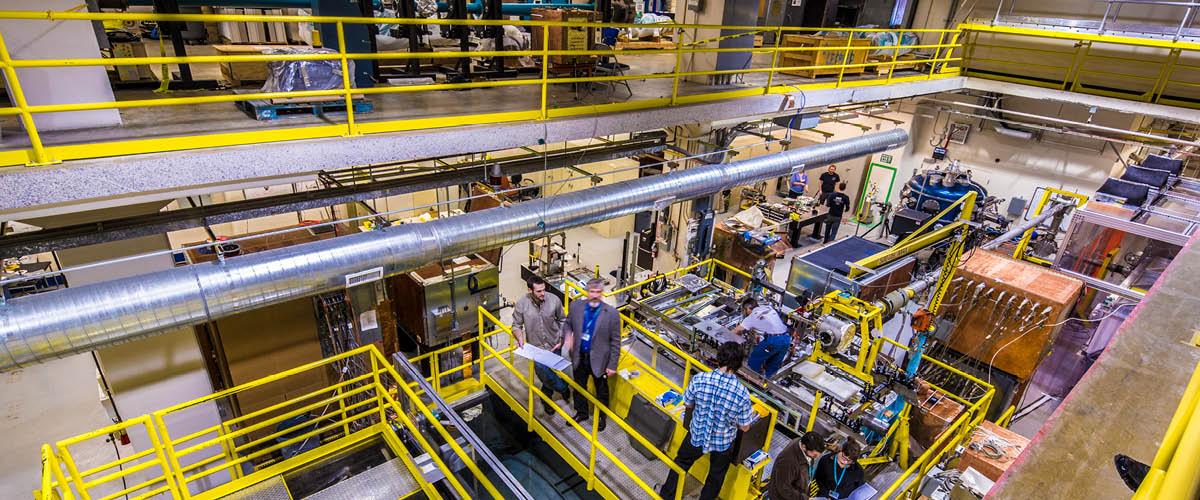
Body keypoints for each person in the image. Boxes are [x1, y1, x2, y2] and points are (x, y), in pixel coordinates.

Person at [658, 341, 759, 500]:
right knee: (715, 477)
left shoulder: (700, 379)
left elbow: (688, 403)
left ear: (719, 359)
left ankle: (667, 494)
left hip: (696, 434)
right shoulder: (742, 393)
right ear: (739, 365)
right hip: (723, 443)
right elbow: (745, 427)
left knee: (681, 464)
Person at [564, 278, 621, 431]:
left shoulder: (612, 314)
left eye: (598, 292)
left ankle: (601, 416)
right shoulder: (575, 307)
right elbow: (567, 323)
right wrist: (568, 336)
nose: (595, 295)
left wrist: (612, 365)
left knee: (601, 390)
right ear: (587, 292)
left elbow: (616, 342)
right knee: (579, 387)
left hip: (600, 360)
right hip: (579, 356)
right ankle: (581, 413)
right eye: (592, 292)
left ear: (602, 293)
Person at [511, 275, 569, 414]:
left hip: (554, 343)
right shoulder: (521, 304)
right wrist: (520, 338)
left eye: (544, 289)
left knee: (550, 372)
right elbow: (516, 325)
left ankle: (546, 399)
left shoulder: (553, 300)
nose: (543, 293)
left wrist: (561, 338)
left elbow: (562, 320)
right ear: (530, 290)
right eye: (539, 291)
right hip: (536, 348)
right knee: (542, 371)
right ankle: (563, 388)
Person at [733, 297, 791, 378]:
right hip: (786, 338)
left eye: (745, 310)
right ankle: (768, 383)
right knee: (773, 365)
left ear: (748, 308)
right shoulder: (768, 308)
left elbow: (735, 330)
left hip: (773, 341)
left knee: (754, 359)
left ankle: (752, 381)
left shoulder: (752, 317)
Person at [767, 431, 826, 500]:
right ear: (804, 447)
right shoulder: (788, 462)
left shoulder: (800, 442)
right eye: (815, 455)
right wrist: (804, 498)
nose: (816, 457)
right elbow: (784, 489)